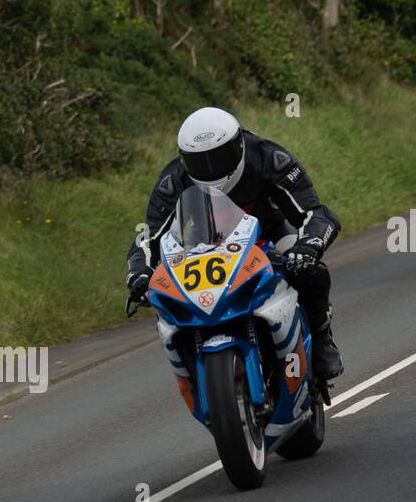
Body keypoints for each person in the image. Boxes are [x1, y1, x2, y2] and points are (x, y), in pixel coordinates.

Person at [126, 106, 344, 379]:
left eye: (218, 157)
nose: (210, 168)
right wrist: (139, 273)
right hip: (205, 247)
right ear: (185, 160)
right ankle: (193, 369)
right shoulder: (173, 180)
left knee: (310, 273)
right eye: (199, 161)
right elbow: (148, 237)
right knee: (167, 300)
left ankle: (321, 340)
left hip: (271, 234)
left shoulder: (269, 158)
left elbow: (317, 213)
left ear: (239, 144)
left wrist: (308, 246)